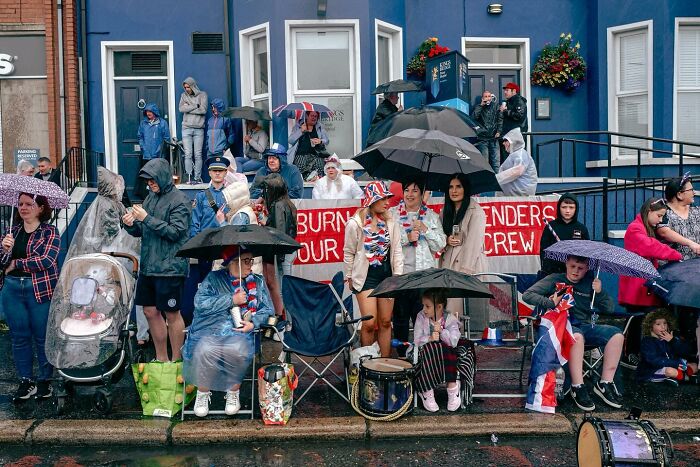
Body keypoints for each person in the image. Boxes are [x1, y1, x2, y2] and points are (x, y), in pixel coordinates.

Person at [523, 255, 624, 411]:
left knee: (617, 335)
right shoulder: (555, 279)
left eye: (581, 268)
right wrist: (550, 302)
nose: (576, 271)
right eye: (572, 266)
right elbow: (527, 295)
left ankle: (605, 383)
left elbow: (609, 309)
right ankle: (578, 385)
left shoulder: (590, 282)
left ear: (587, 269)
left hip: (585, 325)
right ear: (566, 264)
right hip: (563, 326)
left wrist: (600, 292)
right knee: (577, 337)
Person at [183, 247, 273, 417]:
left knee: (237, 349)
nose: (250, 266)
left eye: (251, 261)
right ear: (233, 262)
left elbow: (267, 310)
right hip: (209, 330)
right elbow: (200, 303)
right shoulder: (213, 279)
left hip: (240, 333)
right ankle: (202, 394)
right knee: (205, 349)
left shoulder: (258, 282)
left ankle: (233, 394)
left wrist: (252, 323)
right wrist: (231, 300)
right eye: (246, 261)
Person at [65, 166, 148, 345]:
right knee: (122, 292)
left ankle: (113, 327)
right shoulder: (109, 205)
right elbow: (114, 233)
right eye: (119, 186)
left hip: (105, 257)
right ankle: (134, 331)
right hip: (117, 257)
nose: (122, 189)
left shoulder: (102, 203)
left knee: (109, 294)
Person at [122, 158, 192, 362]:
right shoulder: (150, 198)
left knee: (172, 313)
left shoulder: (180, 200)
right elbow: (142, 230)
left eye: (153, 181)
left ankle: (176, 360)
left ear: (162, 177)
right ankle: (161, 358)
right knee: (150, 311)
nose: (150, 185)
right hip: (149, 266)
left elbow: (176, 232)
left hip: (170, 268)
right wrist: (129, 224)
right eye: (148, 181)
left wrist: (145, 218)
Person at [1, 193, 60, 401]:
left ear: (41, 208)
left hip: (39, 289)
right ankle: (25, 380)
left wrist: (16, 263)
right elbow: (1, 262)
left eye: (29, 204)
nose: (23, 208)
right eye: (20, 204)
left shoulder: (49, 232)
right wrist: (5, 249)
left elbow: (46, 260)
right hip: (12, 289)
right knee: (19, 338)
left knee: (42, 336)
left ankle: (45, 380)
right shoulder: (12, 232)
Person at [619, 198, 683, 366]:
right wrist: (676, 255)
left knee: (641, 321)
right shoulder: (635, 228)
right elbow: (651, 246)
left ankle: (638, 354)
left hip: (641, 284)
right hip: (636, 285)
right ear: (649, 212)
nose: (660, 220)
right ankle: (628, 355)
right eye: (659, 216)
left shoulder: (643, 227)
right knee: (635, 322)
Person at [344, 181, 403, 357]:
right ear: (371, 200)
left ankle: (383, 365)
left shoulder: (391, 221)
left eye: (387, 198)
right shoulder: (356, 223)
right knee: (369, 323)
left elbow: (398, 251)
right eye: (382, 198)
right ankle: (367, 364)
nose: (387, 202)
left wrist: (397, 277)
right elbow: (349, 252)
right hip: (365, 277)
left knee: (385, 322)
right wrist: (349, 276)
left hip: (387, 277)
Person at [389, 179, 446, 355]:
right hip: (401, 277)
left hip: (424, 277)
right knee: (400, 320)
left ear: (422, 194)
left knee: (422, 320)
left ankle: (421, 357)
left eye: (415, 191)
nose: (410, 194)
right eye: (406, 190)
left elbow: (440, 245)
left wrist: (425, 230)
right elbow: (385, 243)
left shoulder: (431, 216)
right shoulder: (392, 214)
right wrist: (407, 237)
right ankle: (402, 359)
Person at [656, 174, 700, 362]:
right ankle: (683, 353)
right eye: (690, 190)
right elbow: (663, 231)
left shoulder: (696, 211)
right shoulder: (664, 212)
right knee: (683, 310)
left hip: (697, 268)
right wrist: (691, 243)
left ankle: (694, 353)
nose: (694, 192)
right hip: (676, 269)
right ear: (680, 194)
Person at [414, 288, 474, 412]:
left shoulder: (449, 319)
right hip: (426, 354)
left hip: (446, 354)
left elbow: (454, 341)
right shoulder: (421, 316)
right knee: (431, 347)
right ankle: (427, 389)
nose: (424, 309)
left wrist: (442, 331)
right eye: (423, 306)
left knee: (446, 347)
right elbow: (416, 340)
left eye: (427, 306)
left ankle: (452, 386)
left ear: (439, 307)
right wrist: (430, 338)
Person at [439, 174, 487, 317]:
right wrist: (446, 240)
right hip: (447, 268)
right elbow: (438, 237)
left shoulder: (476, 212)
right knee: (446, 315)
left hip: (468, 269)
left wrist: (465, 272)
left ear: (466, 189)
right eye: (451, 187)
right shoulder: (445, 211)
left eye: (458, 186)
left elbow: (474, 243)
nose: (454, 191)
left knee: (463, 316)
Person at [260, 173, 298, 318]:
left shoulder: (277, 205)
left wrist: (280, 255)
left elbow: (280, 232)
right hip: (289, 249)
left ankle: (289, 322)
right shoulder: (288, 203)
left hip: (284, 250)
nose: (265, 193)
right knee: (286, 287)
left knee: (285, 289)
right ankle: (288, 321)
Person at [637, 309, 697, 385]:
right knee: (671, 371)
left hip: (673, 364)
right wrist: (675, 364)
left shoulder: (670, 337)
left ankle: (677, 377)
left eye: (665, 323)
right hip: (653, 370)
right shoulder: (648, 342)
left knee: (694, 365)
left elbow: (685, 351)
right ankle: (687, 379)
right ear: (650, 327)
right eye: (658, 324)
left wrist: (672, 340)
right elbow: (654, 360)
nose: (663, 327)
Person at [539, 193, 590, 276]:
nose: (567, 211)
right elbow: (543, 251)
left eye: (571, 207)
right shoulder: (551, 226)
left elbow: (586, 254)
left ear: (576, 209)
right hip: (553, 274)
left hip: (575, 275)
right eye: (564, 207)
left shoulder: (581, 228)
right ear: (559, 208)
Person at [136, 103, 171, 198]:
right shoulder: (143, 123)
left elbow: (166, 139)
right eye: (147, 111)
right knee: (147, 177)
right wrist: (144, 149)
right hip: (146, 156)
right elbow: (140, 137)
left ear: (154, 112)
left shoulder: (162, 123)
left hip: (158, 156)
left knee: (157, 177)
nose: (148, 113)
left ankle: (159, 195)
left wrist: (159, 151)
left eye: (150, 111)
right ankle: (146, 197)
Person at [179, 77, 208, 184]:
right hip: (186, 128)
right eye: (185, 87)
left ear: (193, 86)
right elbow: (181, 109)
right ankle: (189, 177)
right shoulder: (183, 96)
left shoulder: (202, 95)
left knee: (198, 154)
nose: (186, 89)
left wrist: (189, 107)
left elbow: (203, 110)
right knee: (188, 154)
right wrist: (196, 105)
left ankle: (197, 178)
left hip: (199, 129)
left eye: (188, 87)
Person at [287, 111, 329, 181]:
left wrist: (320, 141)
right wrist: (301, 131)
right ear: (307, 116)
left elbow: (327, 140)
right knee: (300, 176)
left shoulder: (319, 127)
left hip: (316, 156)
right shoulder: (298, 126)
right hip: (301, 155)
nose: (314, 118)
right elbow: (290, 140)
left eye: (316, 116)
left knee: (319, 175)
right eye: (312, 116)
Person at [497, 128, 538, 196]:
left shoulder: (520, 154)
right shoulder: (515, 154)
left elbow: (517, 171)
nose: (503, 143)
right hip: (513, 198)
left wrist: (496, 179)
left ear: (513, 141)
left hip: (519, 197)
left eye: (506, 140)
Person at [471, 90, 503, 173]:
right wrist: (481, 105)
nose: (488, 98)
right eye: (486, 96)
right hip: (483, 139)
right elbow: (473, 118)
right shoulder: (479, 107)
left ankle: (497, 182)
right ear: (482, 98)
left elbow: (500, 120)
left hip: (494, 138)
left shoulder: (496, 106)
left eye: (489, 96)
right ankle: (486, 181)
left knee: (496, 163)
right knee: (484, 162)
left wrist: (499, 131)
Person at [499, 82, 528, 163]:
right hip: (508, 135)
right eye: (505, 90)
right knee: (507, 160)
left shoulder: (519, 101)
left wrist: (505, 111)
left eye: (507, 90)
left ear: (514, 91)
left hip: (515, 136)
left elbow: (519, 115)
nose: (505, 92)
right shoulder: (509, 101)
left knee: (514, 160)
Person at [204, 98, 236, 163]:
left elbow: (231, 135)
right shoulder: (210, 121)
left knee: (221, 170)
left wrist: (226, 147)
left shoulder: (226, 119)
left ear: (220, 107)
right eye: (212, 107)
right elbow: (208, 136)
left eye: (215, 107)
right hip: (210, 153)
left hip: (221, 152)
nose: (213, 109)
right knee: (211, 171)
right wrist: (207, 147)